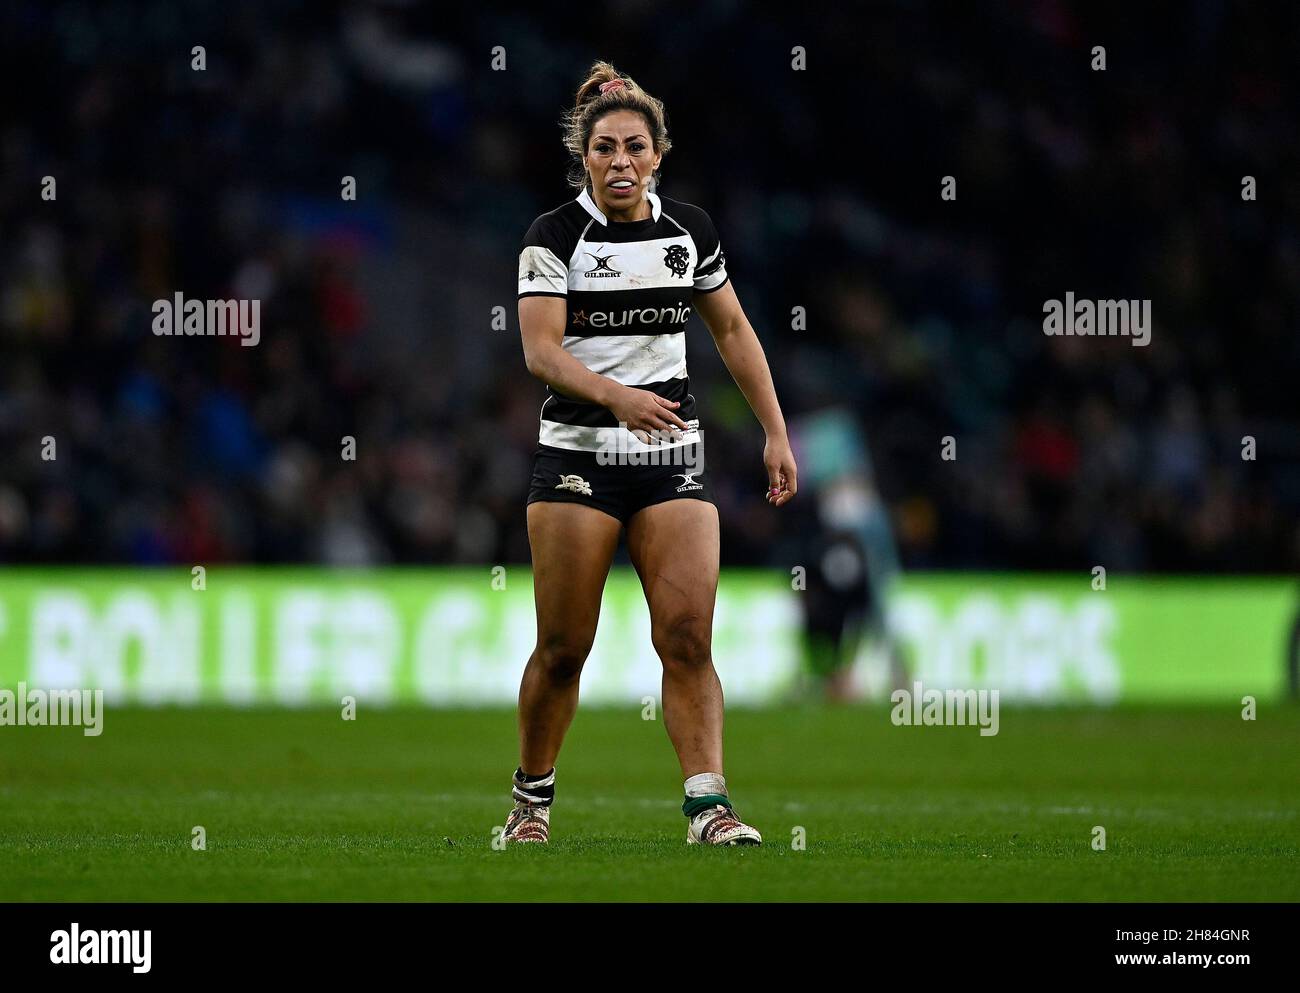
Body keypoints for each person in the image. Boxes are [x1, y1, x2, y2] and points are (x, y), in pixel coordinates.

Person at [505, 61, 796, 846]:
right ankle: (530, 805)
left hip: (672, 458)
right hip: (577, 459)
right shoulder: (552, 237)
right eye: (604, 148)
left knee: (689, 635)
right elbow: (541, 351)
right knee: (565, 649)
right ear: (585, 156)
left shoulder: (690, 231)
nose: (620, 161)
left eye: (635, 146)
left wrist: (774, 428)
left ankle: (710, 807)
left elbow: (731, 329)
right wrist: (616, 395)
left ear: (659, 153)